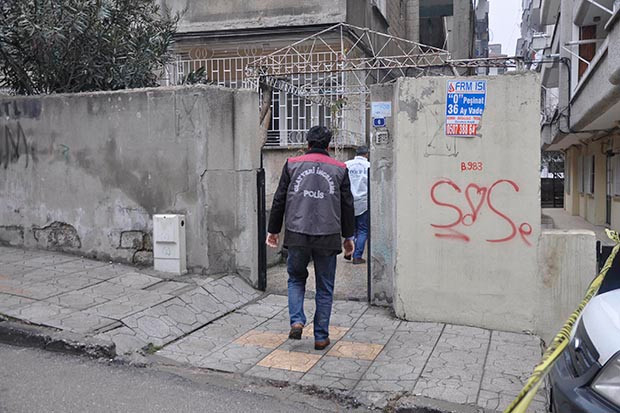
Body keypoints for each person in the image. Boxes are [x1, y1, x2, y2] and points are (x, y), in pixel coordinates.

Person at [266, 126, 355, 350]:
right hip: (328, 236)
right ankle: (321, 337)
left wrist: (273, 230)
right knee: (325, 287)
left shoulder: (292, 165)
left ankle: (297, 321)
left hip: (297, 233)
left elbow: (279, 199)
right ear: (329, 146)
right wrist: (348, 237)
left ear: (307, 144)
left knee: (296, 278)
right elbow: (347, 205)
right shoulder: (340, 169)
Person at [345, 146, 370, 264]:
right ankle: (357, 256)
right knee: (363, 230)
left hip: (348, 201)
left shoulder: (346, 165)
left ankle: (349, 251)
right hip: (363, 202)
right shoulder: (369, 166)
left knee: (351, 229)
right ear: (366, 154)